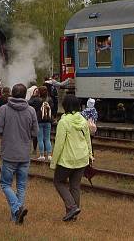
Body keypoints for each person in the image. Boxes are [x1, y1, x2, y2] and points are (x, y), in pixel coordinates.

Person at [0, 83, 38, 225]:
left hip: (9, 153)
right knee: (21, 186)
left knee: (5, 184)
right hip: (24, 153)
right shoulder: (31, 110)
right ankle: (16, 217)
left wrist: (6, 134)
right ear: (25, 95)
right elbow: (35, 132)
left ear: (12, 93)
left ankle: (17, 209)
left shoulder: (5, 109)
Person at [50, 94, 92, 222]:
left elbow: (59, 144)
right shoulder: (83, 120)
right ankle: (73, 214)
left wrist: (53, 162)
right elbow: (87, 139)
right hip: (82, 158)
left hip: (67, 159)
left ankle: (72, 207)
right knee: (75, 186)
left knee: (58, 181)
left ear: (65, 106)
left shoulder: (64, 122)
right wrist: (90, 154)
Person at [30, 86, 54, 161]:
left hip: (39, 121)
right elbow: (53, 107)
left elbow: (29, 103)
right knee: (47, 138)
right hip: (48, 121)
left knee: (40, 139)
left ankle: (42, 155)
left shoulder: (36, 100)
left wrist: (33, 96)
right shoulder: (50, 99)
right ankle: (49, 155)